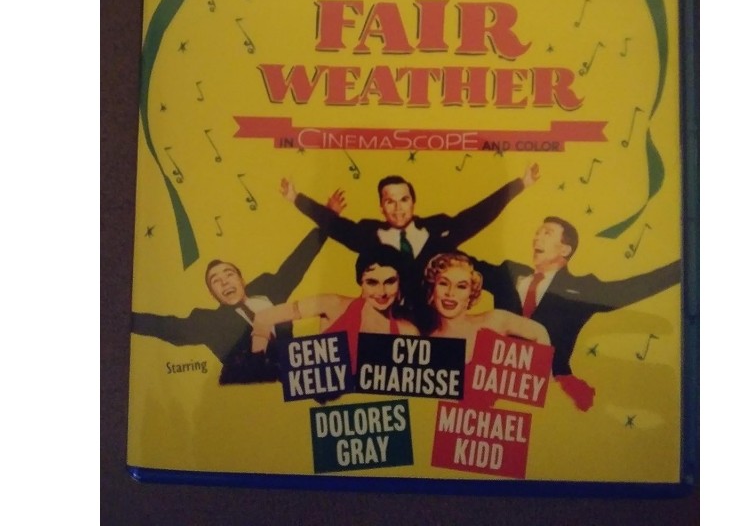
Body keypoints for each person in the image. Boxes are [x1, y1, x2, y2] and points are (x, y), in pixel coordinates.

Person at [281, 164, 541, 329]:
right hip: (394, 326)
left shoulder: (437, 229)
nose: (398, 208)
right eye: (390, 202)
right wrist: (295, 198)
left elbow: (477, 216)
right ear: (381, 207)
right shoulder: (369, 235)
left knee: (499, 278)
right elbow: (335, 225)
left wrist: (521, 183)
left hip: (438, 323)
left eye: (403, 200)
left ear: (413, 203)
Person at [131, 190, 344, 385]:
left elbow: (297, 262)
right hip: (256, 393)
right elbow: (166, 326)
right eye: (215, 281)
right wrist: (125, 318)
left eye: (229, 274)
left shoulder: (269, 289)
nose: (224, 282)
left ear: (242, 281)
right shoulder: (209, 323)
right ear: (213, 294)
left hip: (297, 379)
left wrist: (327, 219)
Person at [473, 216, 681, 411]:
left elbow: (630, 289)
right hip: (493, 386)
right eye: (537, 232)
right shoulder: (509, 273)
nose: (537, 237)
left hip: (550, 396)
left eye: (547, 233)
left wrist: (685, 265)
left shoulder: (581, 290)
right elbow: (462, 263)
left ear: (564, 249)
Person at [250, 244, 418, 372]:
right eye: (372, 282)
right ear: (360, 282)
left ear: (399, 283)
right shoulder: (332, 305)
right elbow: (263, 318)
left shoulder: (408, 332)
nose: (381, 292)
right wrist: (258, 364)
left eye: (390, 282)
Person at [423, 252, 549, 361]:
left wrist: (544, 375)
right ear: (433, 289)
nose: (451, 293)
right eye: (443, 283)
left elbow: (540, 332)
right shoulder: (429, 343)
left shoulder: (494, 320)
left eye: (461, 286)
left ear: (471, 293)